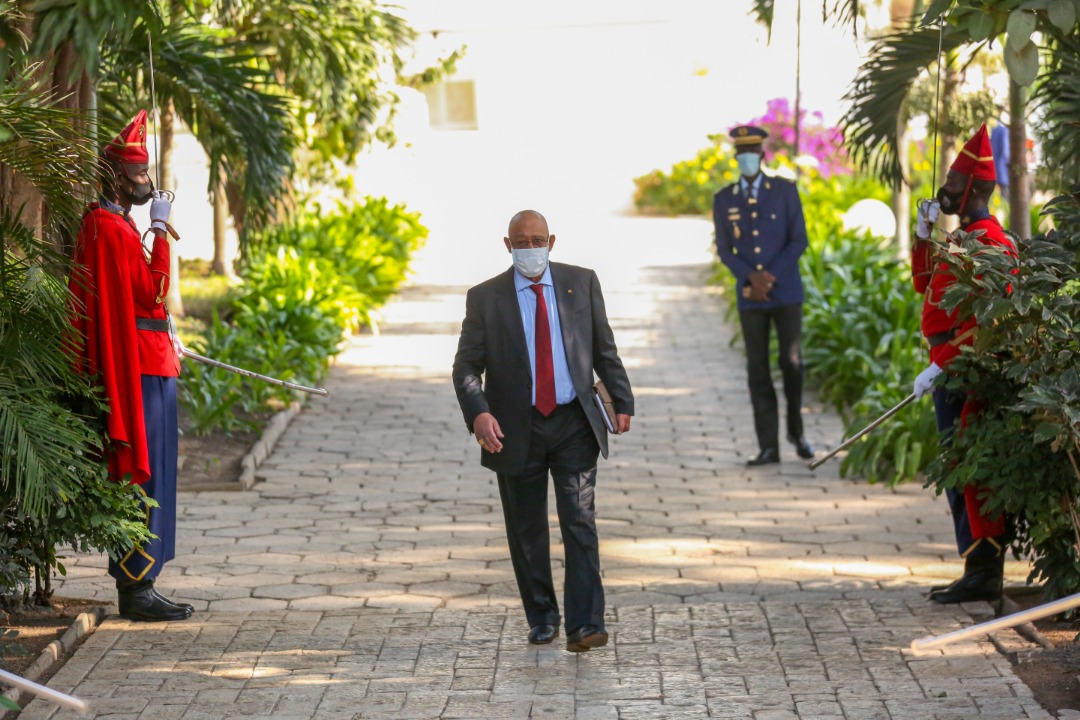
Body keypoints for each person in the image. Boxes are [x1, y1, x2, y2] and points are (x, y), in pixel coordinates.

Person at [452, 210, 633, 652]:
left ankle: (586, 624)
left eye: (537, 240)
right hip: (516, 426)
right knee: (526, 528)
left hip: (574, 421)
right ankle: (542, 617)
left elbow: (603, 347)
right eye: (521, 241)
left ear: (551, 242)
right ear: (507, 244)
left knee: (579, 520)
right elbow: (466, 367)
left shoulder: (581, 283)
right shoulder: (486, 297)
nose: (529, 247)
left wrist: (622, 400)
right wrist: (478, 413)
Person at [68, 110, 193, 622]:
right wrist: (160, 230)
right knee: (145, 476)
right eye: (141, 176)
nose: (149, 185)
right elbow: (153, 290)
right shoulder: (113, 228)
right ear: (118, 177)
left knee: (159, 473)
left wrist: (168, 334)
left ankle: (144, 580)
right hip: (138, 371)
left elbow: (146, 308)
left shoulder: (113, 224)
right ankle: (136, 586)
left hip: (151, 360)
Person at [911, 123, 1015, 604]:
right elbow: (923, 284)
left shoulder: (989, 242)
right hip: (948, 367)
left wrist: (942, 362)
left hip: (969, 369)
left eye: (953, 184)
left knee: (973, 469)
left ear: (973, 189)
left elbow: (991, 323)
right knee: (958, 467)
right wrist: (923, 234)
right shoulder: (963, 238)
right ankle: (973, 566)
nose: (945, 190)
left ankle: (985, 570)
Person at [713, 125, 813, 466]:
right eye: (740, 154)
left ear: (762, 156)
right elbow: (725, 249)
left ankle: (796, 433)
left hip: (785, 291)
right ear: (735, 157)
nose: (746, 159)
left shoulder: (784, 191)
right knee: (758, 369)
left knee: (792, 363)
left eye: (751, 154)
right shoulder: (724, 199)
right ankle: (768, 446)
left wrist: (768, 276)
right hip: (750, 296)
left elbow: (798, 240)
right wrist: (750, 277)